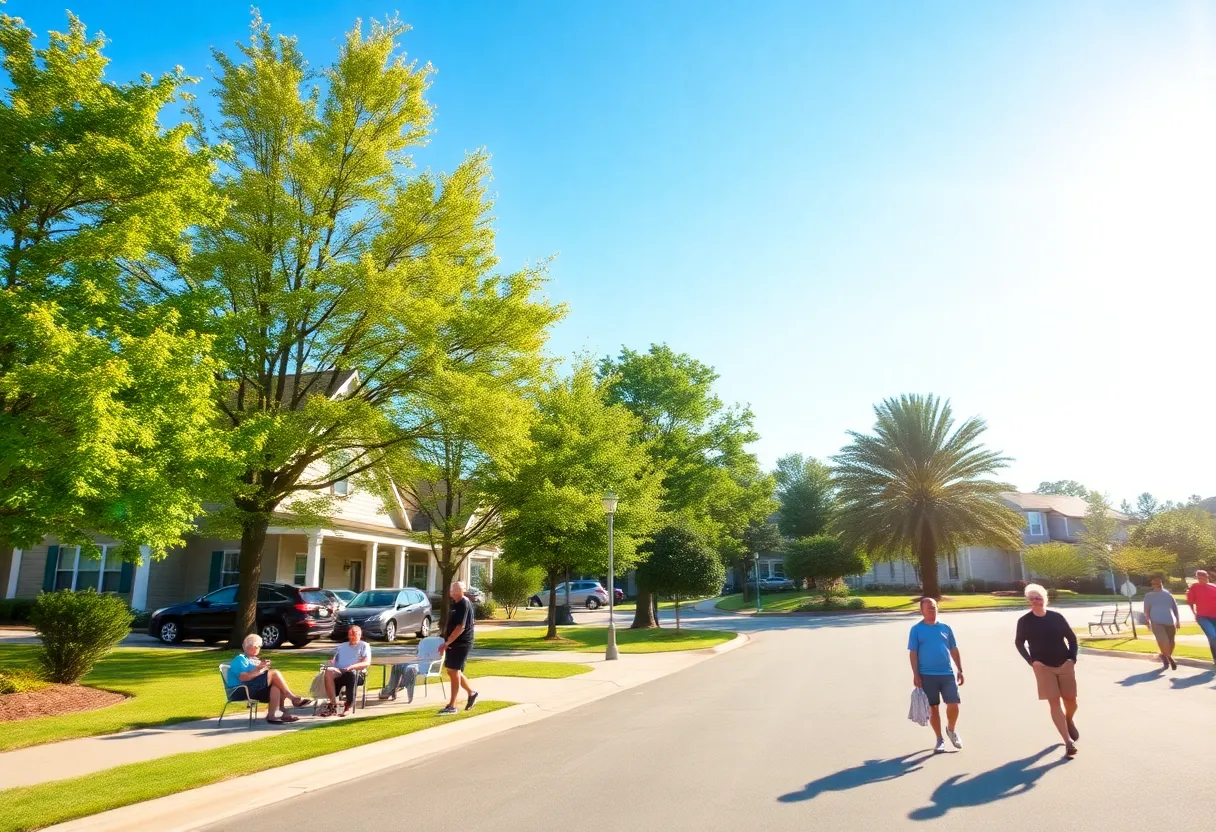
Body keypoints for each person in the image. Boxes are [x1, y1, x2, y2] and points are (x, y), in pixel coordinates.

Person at [1014, 583, 1080, 757]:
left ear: (1045, 599)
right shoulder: (1024, 621)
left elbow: (1072, 639)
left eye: (1039, 598)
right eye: (1032, 599)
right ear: (1028, 601)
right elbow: (1019, 642)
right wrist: (1031, 661)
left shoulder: (1056, 617)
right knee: (1054, 702)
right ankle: (1068, 742)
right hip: (1043, 667)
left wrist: (1072, 659)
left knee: (1071, 700)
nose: (1036, 601)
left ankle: (1068, 719)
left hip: (1064, 664)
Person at [907, 597, 964, 753]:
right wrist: (916, 674)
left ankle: (951, 730)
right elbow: (913, 653)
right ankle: (939, 739)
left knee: (954, 704)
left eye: (934, 607)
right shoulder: (916, 630)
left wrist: (960, 669)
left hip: (947, 673)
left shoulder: (945, 628)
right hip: (927, 674)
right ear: (922, 611)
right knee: (933, 708)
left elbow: (953, 649)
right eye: (929, 608)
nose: (933, 610)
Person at [225, 633, 310, 724]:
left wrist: (262, 669)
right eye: (258, 646)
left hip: (252, 688)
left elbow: (257, 675)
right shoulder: (240, 659)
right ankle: (292, 698)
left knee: (276, 686)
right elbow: (244, 678)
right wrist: (259, 670)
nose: (259, 649)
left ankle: (274, 714)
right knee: (275, 673)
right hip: (240, 691)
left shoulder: (255, 660)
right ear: (251, 647)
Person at [437, 581, 478, 715]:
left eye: (457, 589)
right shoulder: (455, 603)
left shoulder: (463, 603)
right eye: (452, 588)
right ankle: (471, 693)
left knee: (454, 671)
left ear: (463, 591)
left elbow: (461, 627)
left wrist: (447, 642)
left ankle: (452, 705)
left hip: (462, 643)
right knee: (452, 671)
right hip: (453, 642)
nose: (453, 590)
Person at [322, 624, 372, 717]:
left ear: (360, 635)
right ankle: (333, 704)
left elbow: (366, 663)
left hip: (356, 673)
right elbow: (334, 660)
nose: (352, 637)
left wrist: (352, 667)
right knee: (328, 671)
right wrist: (330, 663)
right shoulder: (342, 646)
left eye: (355, 635)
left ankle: (348, 706)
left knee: (350, 675)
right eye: (351, 634)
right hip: (340, 671)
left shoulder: (364, 645)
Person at [1143, 575, 1182, 670]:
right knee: (1163, 640)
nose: (1156, 585)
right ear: (1152, 585)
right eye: (1154, 584)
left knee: (1171, 642)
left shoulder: (1168, 595)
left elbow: (1175, 608)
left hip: (1169, 621)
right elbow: (1146, 609)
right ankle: (1169, 657)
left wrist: (1177, 620)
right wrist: (1147, 620)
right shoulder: (1149, 596)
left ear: (1161, 584)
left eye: (1158, 583)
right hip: (1156, 622)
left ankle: (1164, 656)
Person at [1185, 569, 1216, 664]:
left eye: (1202, 578)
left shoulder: (1213, 587)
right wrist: (1194, 613)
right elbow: (1190, 602)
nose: (1200, 580)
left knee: (1214, 638)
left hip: (1214, 616)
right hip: (1203, 617)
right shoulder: (1194, 587)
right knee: (1213, 636)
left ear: (1207, 577)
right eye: (1199, 578)